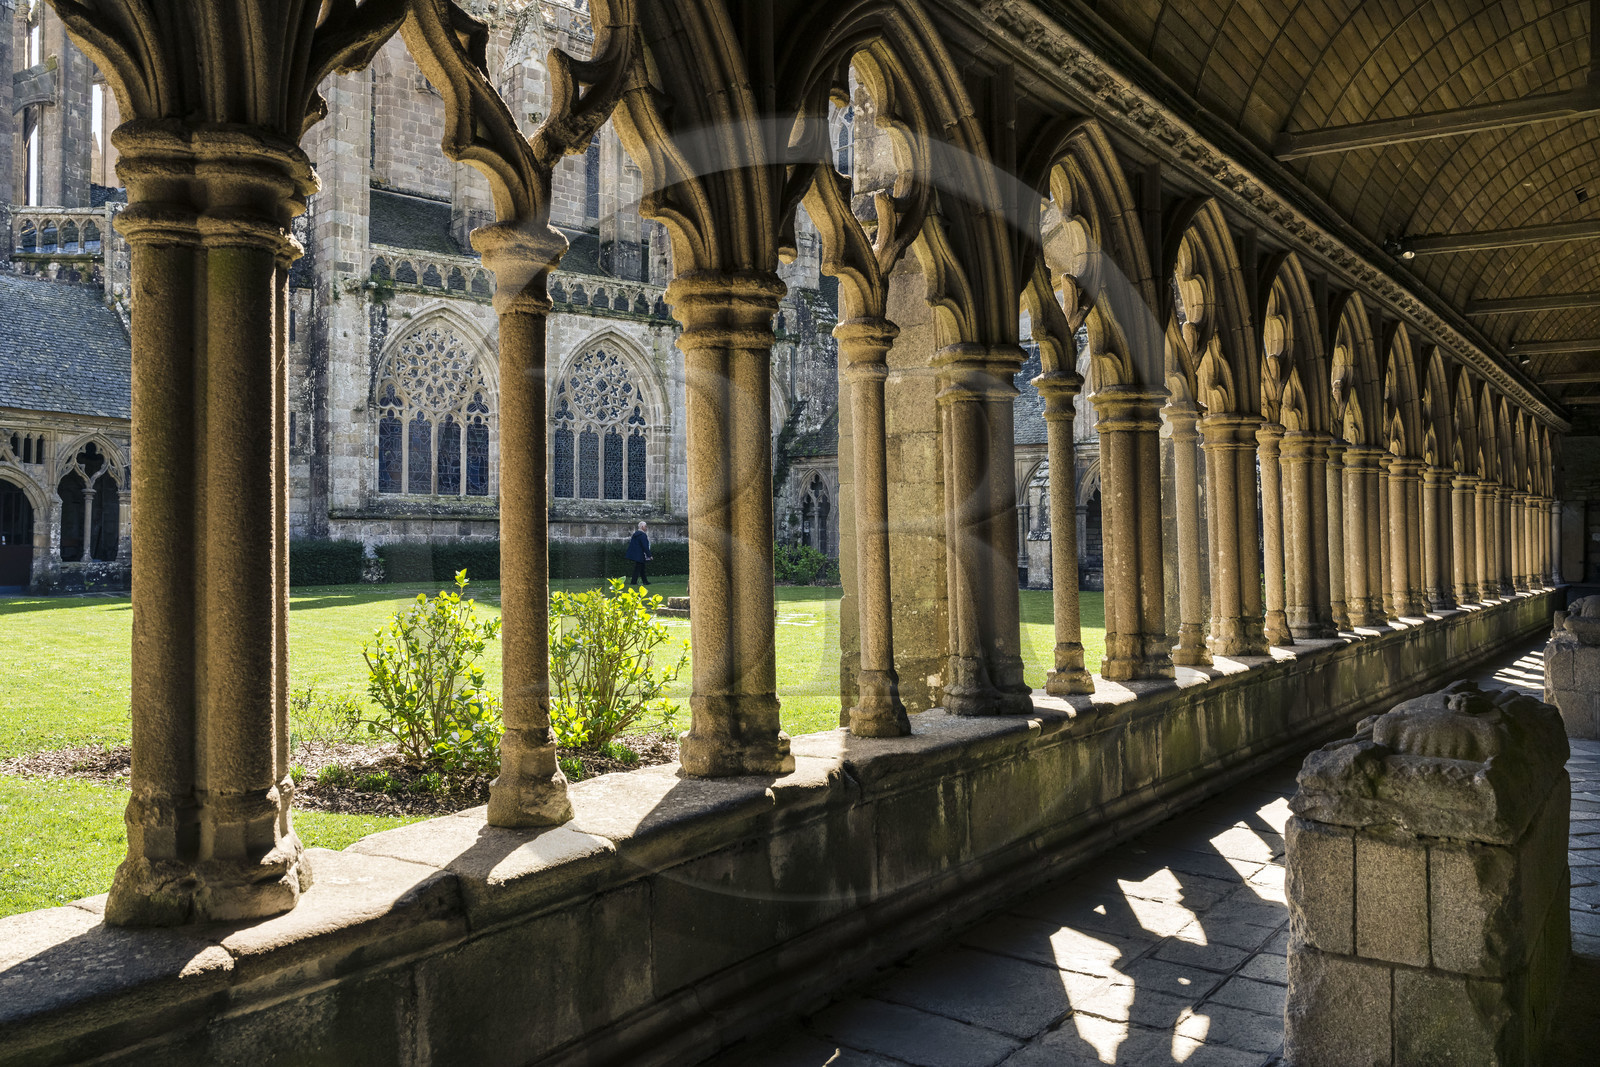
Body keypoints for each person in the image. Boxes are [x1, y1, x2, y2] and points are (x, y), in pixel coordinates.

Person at [625, 520, 652, 587]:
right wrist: (649, 555)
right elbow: (645, 546)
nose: (646, 528)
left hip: (636, 554)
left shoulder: (635, 535)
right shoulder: (642, 535)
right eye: (645, 526)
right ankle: (634, 582)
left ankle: (645, 581)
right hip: (640, 554)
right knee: (638, 568)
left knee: (641, 568)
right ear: (642, 527)